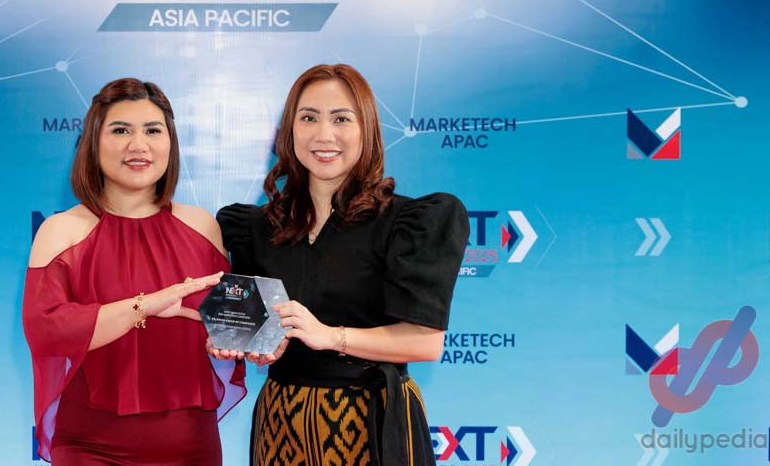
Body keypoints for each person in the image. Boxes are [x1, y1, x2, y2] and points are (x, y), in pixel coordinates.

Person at [215, 64, 468, 466]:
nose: (323, 135)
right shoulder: (257, 227)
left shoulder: (408, 222)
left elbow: (425, 342)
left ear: (366, 129)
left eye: (341, 119)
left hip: (371, 426)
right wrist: (242, 342)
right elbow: (252, 330)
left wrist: (331, 337)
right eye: (308, 118)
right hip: (281, 426)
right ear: (289, 131)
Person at [23, 78, 245, 465]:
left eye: (153, 131)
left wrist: (237, 341)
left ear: (170, 143)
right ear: (93, 141)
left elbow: (228, 327)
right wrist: (144, 306)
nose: (138, 145)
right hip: (91, 447)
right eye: (121, 130)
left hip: (192, 445)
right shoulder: (62, 230)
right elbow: (47, 331)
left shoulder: (203, 226)